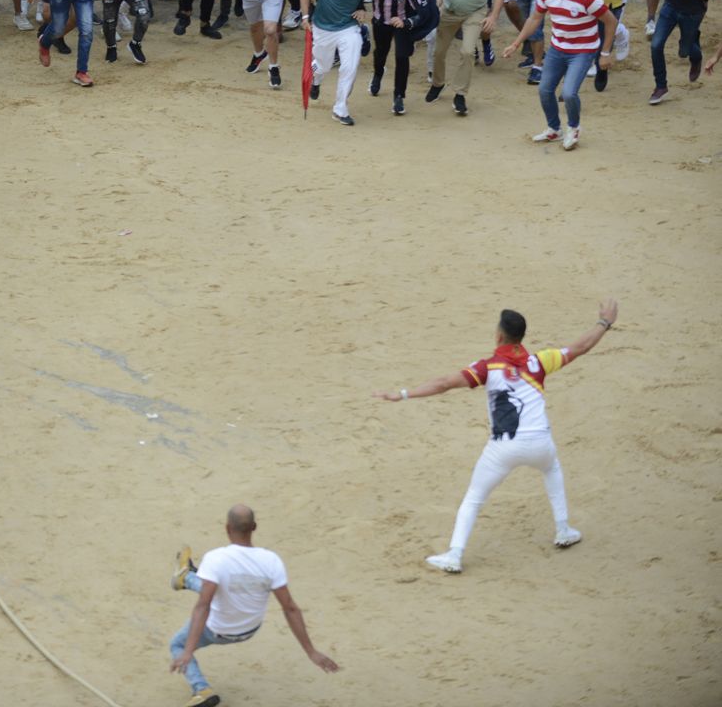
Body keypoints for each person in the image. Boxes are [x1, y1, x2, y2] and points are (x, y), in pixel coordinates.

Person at [373, 298, 619, 574]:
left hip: (503, 448)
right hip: (540, 443)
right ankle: (563, 529)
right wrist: (604, 322)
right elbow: (580, 347)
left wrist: (403, 394)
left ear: (499, 335)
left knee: (474, 497)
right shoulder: (540, 362)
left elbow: (443, 384)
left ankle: (454, 554)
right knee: (552, 469)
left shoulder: (486, 367)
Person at [168, 504, 340, 706]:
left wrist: (187, 651)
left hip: (217, 630)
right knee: (226, 588)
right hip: (249, 630)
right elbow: (290, 608)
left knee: (177, 643)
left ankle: (201, 689)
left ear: (227, 528)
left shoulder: (215, 559)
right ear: (254, 527)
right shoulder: (271, 561)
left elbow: (202, 606)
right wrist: (311, 651)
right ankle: (187, 577)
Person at [502, 0, 618, 151]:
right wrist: (516, 43)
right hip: (557, 48)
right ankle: (554, 129)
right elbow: (534, 19)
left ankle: (573, 128)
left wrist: (605, 53)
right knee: (544, 90)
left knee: (569, 93)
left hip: (582, 50)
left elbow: (611, 21)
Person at [416, 0, 505, 116]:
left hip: (474, 13)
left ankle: (460, 93)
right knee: (439, 51)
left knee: (467, 52)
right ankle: (438, 83)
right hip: (449, 11)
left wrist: (493, 16)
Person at [299, 0, 374, 126]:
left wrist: (362, 7)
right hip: (323, 27)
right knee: (323, 66)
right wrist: (304, 18)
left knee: (350, 66)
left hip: (348, 27)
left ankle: (340, 109)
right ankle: (316, 80)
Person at [369, 0, 436, 117]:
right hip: (381, 21)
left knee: (402, 56)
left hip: (401, 23)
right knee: (380, 53)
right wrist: (358, 8)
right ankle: (378, 74)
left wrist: (406, 22)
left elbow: (423, 13)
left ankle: (399, 96)